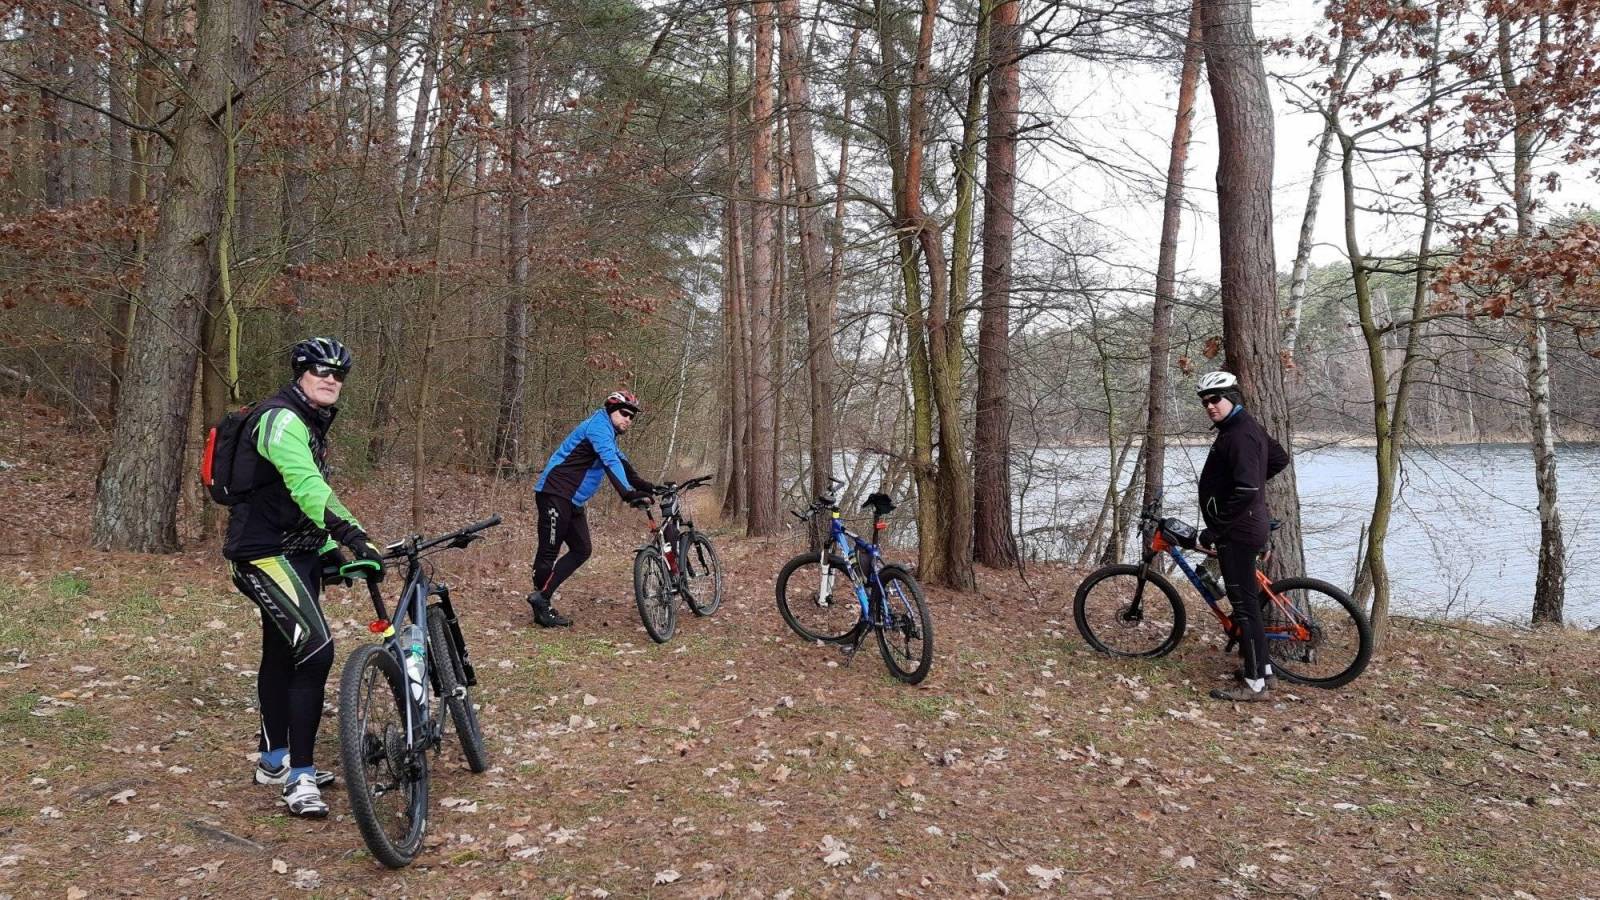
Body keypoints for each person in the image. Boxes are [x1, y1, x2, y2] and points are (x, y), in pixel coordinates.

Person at [223, 337, 386, 817]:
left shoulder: (309, 420)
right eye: (321, 370)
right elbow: (306, 485)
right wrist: (353, 534)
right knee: (316, 649)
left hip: (299, 552)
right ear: (300, 373)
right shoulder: (281, 419)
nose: (331, 379)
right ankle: (300, 777)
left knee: (283, 652)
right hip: (264, 554)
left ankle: (274, 760)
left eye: (339, 373)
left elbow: (297, 499)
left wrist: (330, 549)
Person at [1194, 371, 1290, 702]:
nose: (1209, 406)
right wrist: (1249, 481)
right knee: (1248, 605)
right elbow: (1278, 459)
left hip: (1237, 531)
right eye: (1204, 402)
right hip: (1245, 525)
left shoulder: (1238, 435)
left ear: (1232, 398)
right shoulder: (1242, 427)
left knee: (1245, 609)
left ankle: (1255, 684)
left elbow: (1247, 489)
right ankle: (1264, 671)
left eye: (1215, 399)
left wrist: (1217, 526)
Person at [525, 390, 655, 627]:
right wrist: (628, 494)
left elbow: (623, 464)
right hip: (554, 493)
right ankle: (542, 606)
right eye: (624, 413)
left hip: (573, 500)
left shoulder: (608, 434)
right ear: (610, 410)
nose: (628, 419)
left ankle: (541, 597)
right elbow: (610, 461)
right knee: (548, 551)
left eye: (632, 416)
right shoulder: (598, 428)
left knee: (582, 549)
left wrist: (648, 487)